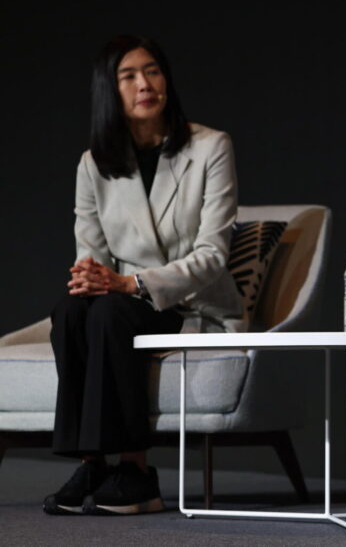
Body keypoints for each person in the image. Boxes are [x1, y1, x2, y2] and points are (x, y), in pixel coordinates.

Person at [44, 35, 243, 516]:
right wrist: (91, 277)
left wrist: (129, 284)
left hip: (192, 304)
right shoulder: (94, 164)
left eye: (152, 71)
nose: (144, 84)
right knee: (71, 310)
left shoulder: (210, 147)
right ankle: (93, 464)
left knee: (111, 312)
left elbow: (212, 255)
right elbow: (91, 255)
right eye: (128, 75)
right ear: (109, 91)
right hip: (125, 302)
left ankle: (136, 472)